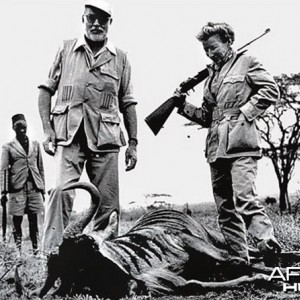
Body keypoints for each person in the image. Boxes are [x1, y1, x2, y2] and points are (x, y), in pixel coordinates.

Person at [174, 22, 281, 265]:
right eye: (206, 51)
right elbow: (206, 116)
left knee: (245, 198)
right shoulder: (210, 76)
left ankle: (268, 246)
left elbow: (270, 90)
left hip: (242, 144)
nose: (210, 54)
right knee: (225, 206)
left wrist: (244, 113)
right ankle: (238, 258)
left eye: (213, 47)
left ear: (227, 41)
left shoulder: (248, 62)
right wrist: (181, 106)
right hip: (216, 147)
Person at [38, 0, 137, 252]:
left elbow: (128, 103)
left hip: (105, 139)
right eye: (91, 17)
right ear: (83, 18)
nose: (96, 24)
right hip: (67, 136)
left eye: (102, 19)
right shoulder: (66, 49)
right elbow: (45, 91)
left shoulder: (121, 58)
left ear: (110, 23)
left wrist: (133, 144)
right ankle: (50, 257)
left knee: (108, 204)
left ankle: (106, 257)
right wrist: (48, 130)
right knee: (60, 192)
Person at [0, 114, 45, 254]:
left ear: (27, 127)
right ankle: (19, 251)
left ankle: (36, 250)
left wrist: (42, 189)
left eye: (23, 126)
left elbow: (40, 167)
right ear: (13, 128)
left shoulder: (35, 145)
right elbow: (3, 170)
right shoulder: (8, 147)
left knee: (34, 219)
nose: (21, 129)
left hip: (34, 187)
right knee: (17, 221)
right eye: (18, 126)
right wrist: (3, 191)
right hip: (17, 188)